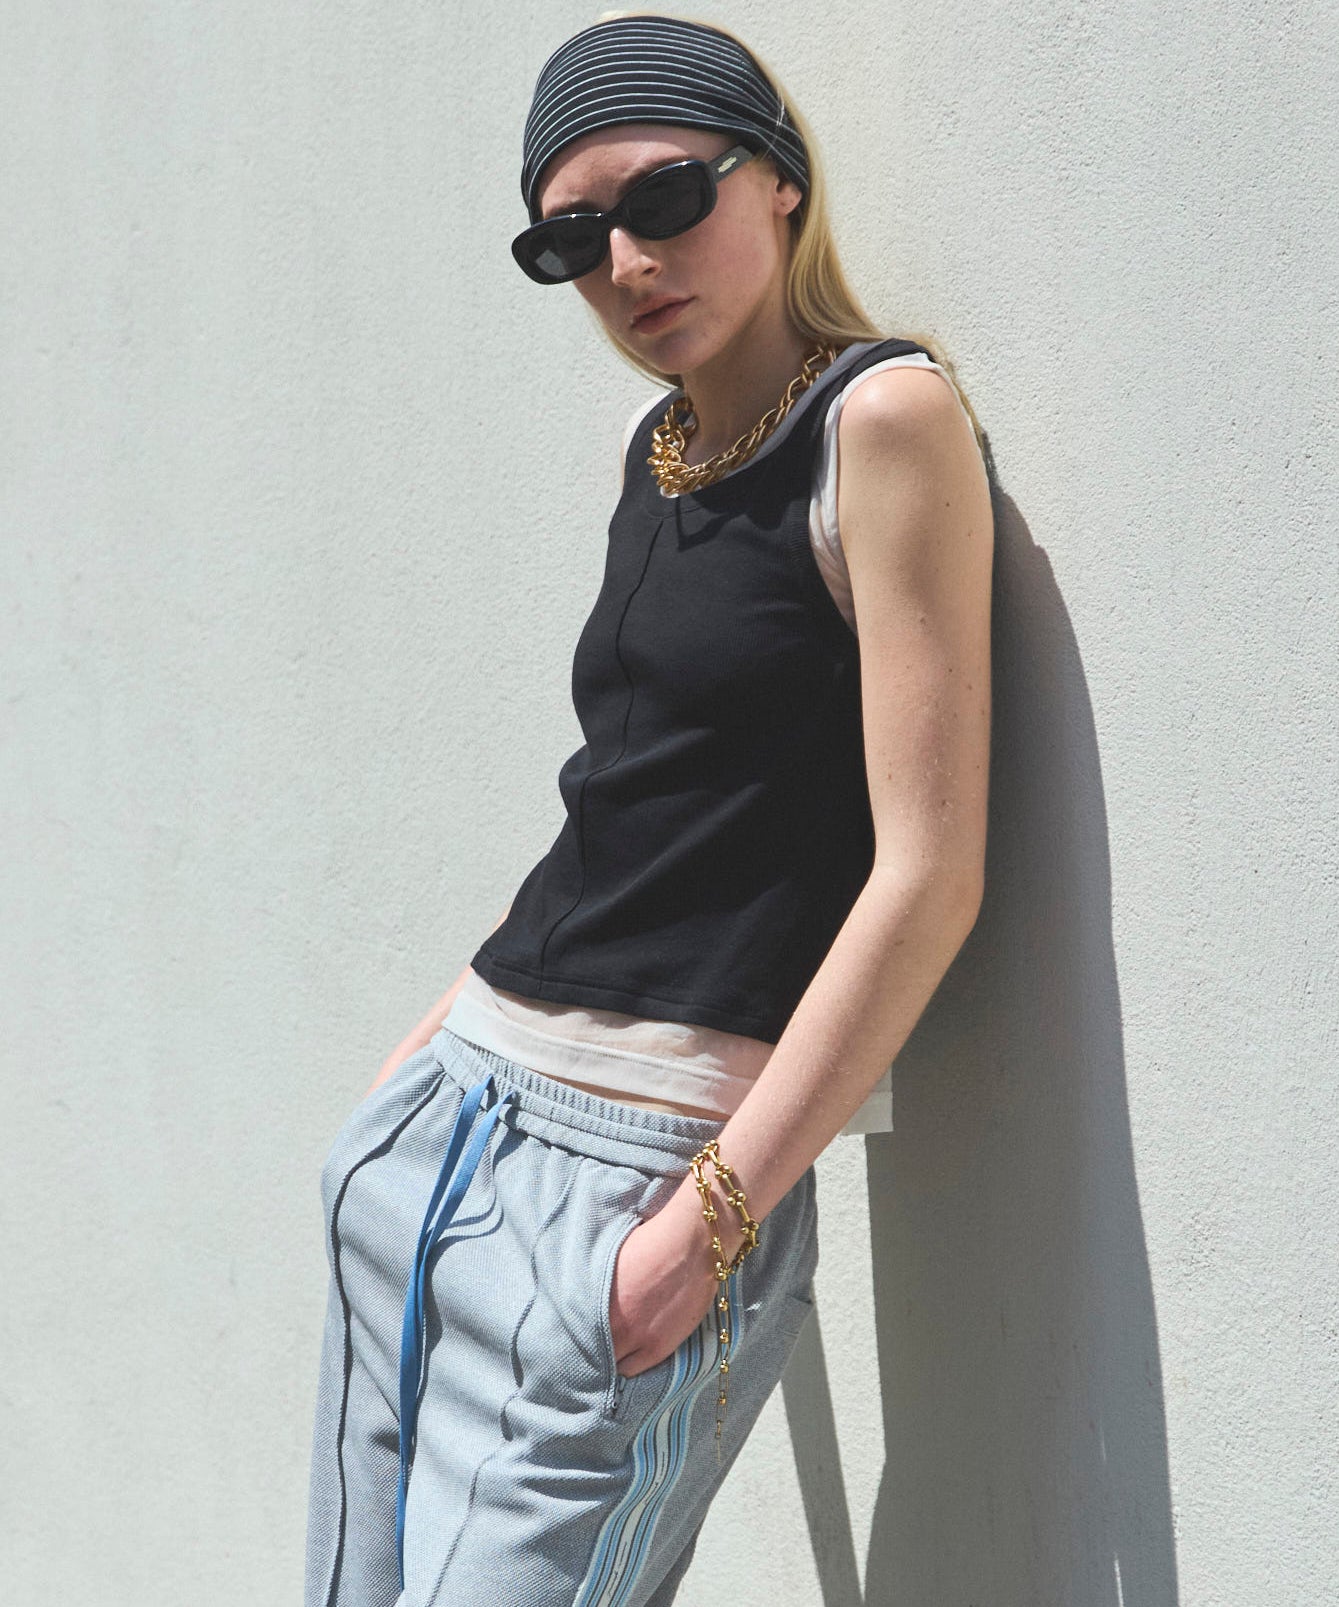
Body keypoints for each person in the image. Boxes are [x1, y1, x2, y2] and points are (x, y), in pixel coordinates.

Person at [303, 11, 993, 1606]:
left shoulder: (881, 421)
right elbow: (627, 804)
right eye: (572, 240)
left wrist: (711, 1222)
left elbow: (929, 872)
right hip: (448, 1137)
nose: (625, 263)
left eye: (666, 198)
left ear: (779, 179)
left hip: (644, 1178)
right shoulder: (659, 446)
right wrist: (411, 1073)